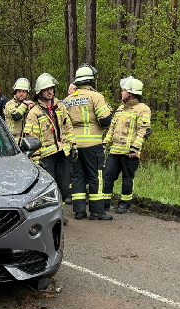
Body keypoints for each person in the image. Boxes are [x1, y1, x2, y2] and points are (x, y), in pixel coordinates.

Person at [63, 64, 113, 220]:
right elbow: (105, 120)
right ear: (91, 80)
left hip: (75, 144)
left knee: (77, 176)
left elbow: (63, 122)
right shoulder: (96, 97)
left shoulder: (68, 100)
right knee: (95, 176)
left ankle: (79, 211)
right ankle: (97, 212)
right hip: (93, 144)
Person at [23, 72, 77, 208]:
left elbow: (68, 128)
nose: (50, 91)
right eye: (46, 89)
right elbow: (31, 137)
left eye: (51, 88)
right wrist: (36, 159)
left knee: (64, 186)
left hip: (62, 152)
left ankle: (59, 210)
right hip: (46, 157)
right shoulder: (34, 113)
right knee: (48, 188)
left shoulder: (60, 107)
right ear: (40, 92)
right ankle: (53, 215)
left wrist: (73, 146)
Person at [103, 76, 151, 214]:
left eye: (123, 90)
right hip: (115, 151)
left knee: (127, 178)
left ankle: (124, 204)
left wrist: (135, 148)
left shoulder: (143, 109)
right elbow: (111, 129)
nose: (121, 93)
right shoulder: (120, 109)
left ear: (131, 93)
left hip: (130, 152)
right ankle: (105, 203)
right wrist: (105, 144)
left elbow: (143, 130)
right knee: (108, 176)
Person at [3, 78, 34, 143]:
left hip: (26, 143)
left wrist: (32, 107)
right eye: (19, 91)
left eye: (24, 91)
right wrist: (25, 104)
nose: (21, 94)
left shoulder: (29, 105)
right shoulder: (9, 104)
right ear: (15, 92)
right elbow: (16, 116)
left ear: (27, 93)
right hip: (12, 143)